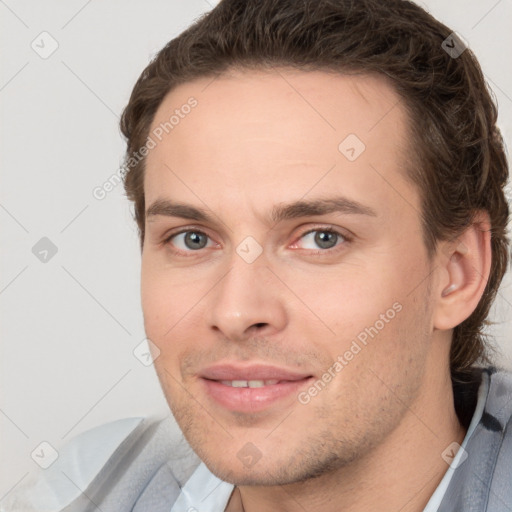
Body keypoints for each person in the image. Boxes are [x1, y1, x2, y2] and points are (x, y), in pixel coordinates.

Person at [4, 0, 511, 510]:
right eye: (192, 238)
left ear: (456, 273)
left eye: (321, 238)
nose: (236, 312)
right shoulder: (86, 489)